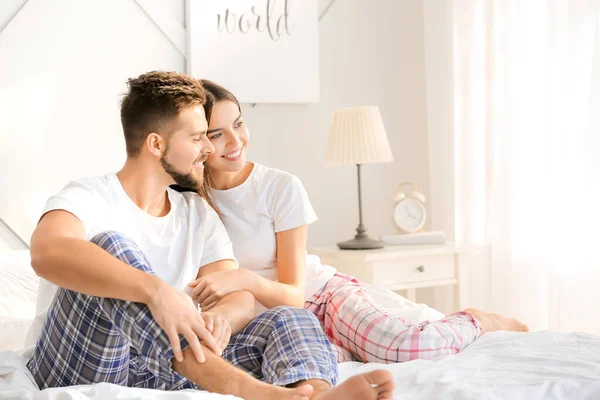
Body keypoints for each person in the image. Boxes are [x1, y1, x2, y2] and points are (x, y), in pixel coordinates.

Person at [26, 71, 394, 400]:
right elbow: (46, 252)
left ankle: (314, 395)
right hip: (81, 361)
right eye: (199, 137)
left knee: (290, 316)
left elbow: (241, 300)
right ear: (156, 145)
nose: (209, 149)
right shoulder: (90, 195)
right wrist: (156, 291)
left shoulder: (196, 213)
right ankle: (262, 396)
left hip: (166, 365)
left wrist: (221, 319)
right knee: (110, 246)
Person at [188, 79, 530, 364]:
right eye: (217, 134)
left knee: (411, 350)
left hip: (319, 296)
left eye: (239, 123)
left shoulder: (280, 187)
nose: (236, 141)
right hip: (265, 322)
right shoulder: (190, 200)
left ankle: (479, 321)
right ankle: (349, 351)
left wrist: (244, 279)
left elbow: (295, 294)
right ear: (198, 139)